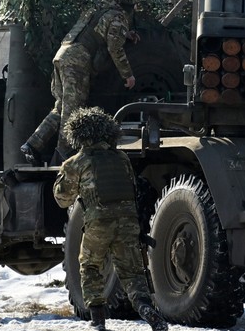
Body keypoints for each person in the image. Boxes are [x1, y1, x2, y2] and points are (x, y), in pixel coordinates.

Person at [52, 107, 168, 331]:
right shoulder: (122, 158)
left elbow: (63, 200)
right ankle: (147, 310)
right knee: (132, 272)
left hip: (98, 223)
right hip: (128, 222)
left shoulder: (77, 162)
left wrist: (60, 179)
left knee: (90, 267)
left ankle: (98, 320)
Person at [21, 0, 147, 164]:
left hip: (62, 56)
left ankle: (33, 144)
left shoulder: (98, 10)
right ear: (131, 1)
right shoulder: (118, 16)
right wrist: (128, 75)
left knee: (61, 107)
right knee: (72, 112)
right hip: (77, 63)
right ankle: (63, 158)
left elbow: (97, 31)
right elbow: (115, 48)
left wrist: (125, 34)